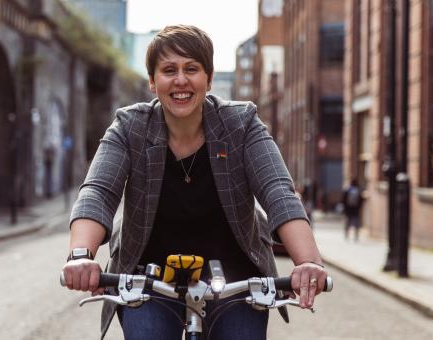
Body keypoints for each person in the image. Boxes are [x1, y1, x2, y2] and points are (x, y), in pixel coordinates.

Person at [62, 25, 328, 340]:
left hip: (235, 279)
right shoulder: (129, 127)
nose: (181, 80)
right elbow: (98, 193)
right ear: (152, 81)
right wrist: (81, 256)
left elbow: (278, 193)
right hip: (148, 280)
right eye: (168, 70)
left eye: (192, 69)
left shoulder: (241, 125)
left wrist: (308, 262)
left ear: (209, 78)